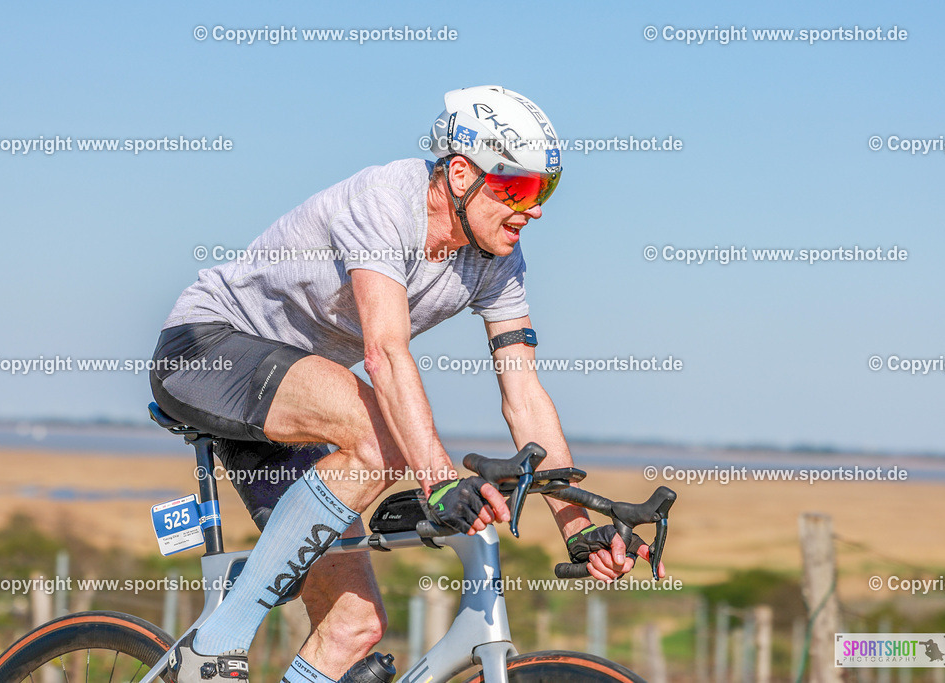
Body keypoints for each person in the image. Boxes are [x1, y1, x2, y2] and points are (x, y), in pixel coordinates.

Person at [150, 85, 660, 683]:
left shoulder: (497, 260)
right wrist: (439, 478)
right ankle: (215, 644)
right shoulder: (385, 202)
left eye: (545, 188)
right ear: (462, 172)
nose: (536, 208)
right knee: (384, 440)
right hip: (209, 350)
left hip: (301, 404)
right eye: (518, 187)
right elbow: (385, 353)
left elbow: (524, 394)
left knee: (353, 629)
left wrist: (576, 522)